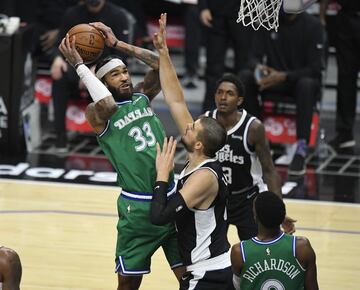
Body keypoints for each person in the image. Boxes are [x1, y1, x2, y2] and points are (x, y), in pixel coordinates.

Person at [58, 19, 184, 290]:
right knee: (127, 284)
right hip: (139, 207)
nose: (125, 77)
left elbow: (162, 65)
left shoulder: (142, 97)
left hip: (173, 198)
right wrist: (80, 66)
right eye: (115, 75)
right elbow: (106, 103)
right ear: (102, 82)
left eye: (125, 72)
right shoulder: (97, 113)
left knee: (191, 279)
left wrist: (118, 45)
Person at [150, 13, 233, 290]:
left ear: (198, 144)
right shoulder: (201, 155)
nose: (186, 127)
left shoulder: (203, 178)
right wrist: (163, 52)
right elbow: (175, 97)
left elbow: (160, 216)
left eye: (191, 128)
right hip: (203, 269)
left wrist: (163, 177)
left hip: (208, 274)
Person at [204, 73, 296, 240]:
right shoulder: (205, 122)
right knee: (211, 254)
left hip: (247, 199)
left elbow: (269, 170)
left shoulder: (253, 128)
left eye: (229, 93)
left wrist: (278, 211)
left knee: (257, 251)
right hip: (216, 199)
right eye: (219, 92)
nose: (223, 97)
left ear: (239, 100)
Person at [239, 12, 325, 176]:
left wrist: (285, 76)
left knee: (306, 84)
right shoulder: (268, 21)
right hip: (272, 80)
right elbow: (252, 57)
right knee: (245, 77)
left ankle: (301, 149)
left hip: (297, 81)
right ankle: (257, 137)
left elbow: (315, 69)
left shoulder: (313, 25)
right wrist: (259, 70)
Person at [50, 0, 134, 151]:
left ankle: (109, 136)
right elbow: (60, 42)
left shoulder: (118, 15)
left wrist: (98, 69)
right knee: (58, 78)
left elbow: (122, 55)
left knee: (107, 82)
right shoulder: (72, 13)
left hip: (103, 70)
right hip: (75, 66)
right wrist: (57, 59)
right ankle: (60, 136)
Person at [231, 191, 319, 290]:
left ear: (255, 218)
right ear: (282, 215)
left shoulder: (239, 252)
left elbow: (238, 287)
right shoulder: (302, 247)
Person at [199, 0, 254, 111]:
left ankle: (241, 112)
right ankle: (208, 113)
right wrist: (203, 6)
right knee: (213, 68)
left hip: (245, 12)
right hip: (216, 13)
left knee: (244, 67)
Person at [320, 0, 360, 152]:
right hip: (346, 19)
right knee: (345, 79)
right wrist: (322, 17)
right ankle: (345, 133)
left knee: (346, 79)